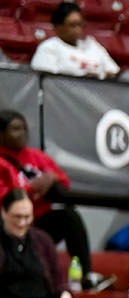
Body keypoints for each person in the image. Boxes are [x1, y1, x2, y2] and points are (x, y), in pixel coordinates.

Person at [0, 109, 94, 281]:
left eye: (24, 129)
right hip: (8, 225)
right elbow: (4, 197)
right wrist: (31, 189)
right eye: (15, 129)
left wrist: (51, 178)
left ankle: (85, 276)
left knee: (69, 217)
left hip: (37, 221)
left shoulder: (37, 156)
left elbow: (64, 181)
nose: (22, 134)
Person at [30, 2, 118, 79]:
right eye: (73, 25)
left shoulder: (92, 45)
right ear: (58, 27)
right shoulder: (49, 47)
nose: (78, 30)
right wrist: (82, 81)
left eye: (80, 24)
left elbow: (113, 72)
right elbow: (47, 82)